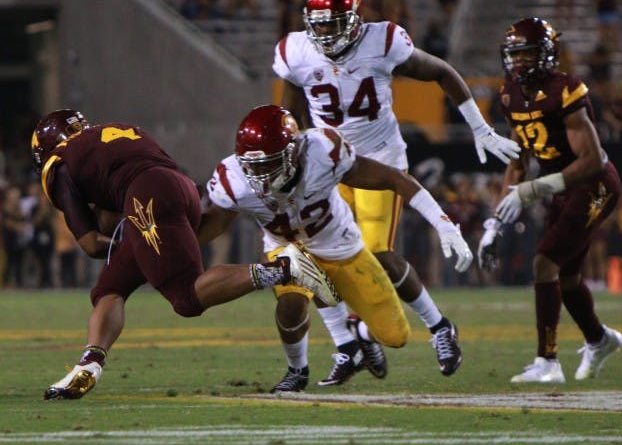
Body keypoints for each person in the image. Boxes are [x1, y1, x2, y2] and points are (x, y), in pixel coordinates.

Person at [275, 0, 520, 376]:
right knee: (316, 258)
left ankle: (440, 326)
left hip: (378, 159)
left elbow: (442, 71)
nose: (324, 33)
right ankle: (348, 344)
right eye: (317, 24)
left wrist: (479, 127)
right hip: (326, 163)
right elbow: (289, 118)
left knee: (376, 254)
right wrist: (298, 159)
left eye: (333, 23)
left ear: (354, 21)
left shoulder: (383, 40)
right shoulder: (295, 50)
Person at [31, 109, 339, 400]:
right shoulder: (114, 133)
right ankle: (90, 364)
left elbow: (90, 244)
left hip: (147, 197)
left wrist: (119, 233)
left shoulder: (59, 162)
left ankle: (284, 269)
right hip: (182, 188)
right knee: (109, 288)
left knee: (187, 298)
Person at [199, 105, 473, 392]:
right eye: (252, 166)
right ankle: (297, 370)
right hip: (287, 250)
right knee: (291, 301)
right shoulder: (233, 179)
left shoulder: (323, 153)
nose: (259, 174)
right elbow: (210, 228)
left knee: (396, 336)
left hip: (340, 246)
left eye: (269, 163)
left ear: (293, 153)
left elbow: (394, 179)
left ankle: (360, 337)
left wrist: (442, 222)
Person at [478, 17, 622, 384]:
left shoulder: (566, 89)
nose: (519, 63)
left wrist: (537, 188)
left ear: (545, 54)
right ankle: (599, 339)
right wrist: (495, 222)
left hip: (595, 183)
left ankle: (548, 361)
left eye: (527, 54)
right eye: (515, 55)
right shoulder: (510, 93)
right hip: (561, 186)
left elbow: (590, 160)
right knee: (568, 277)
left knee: (544, 262)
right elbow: (518, 160)